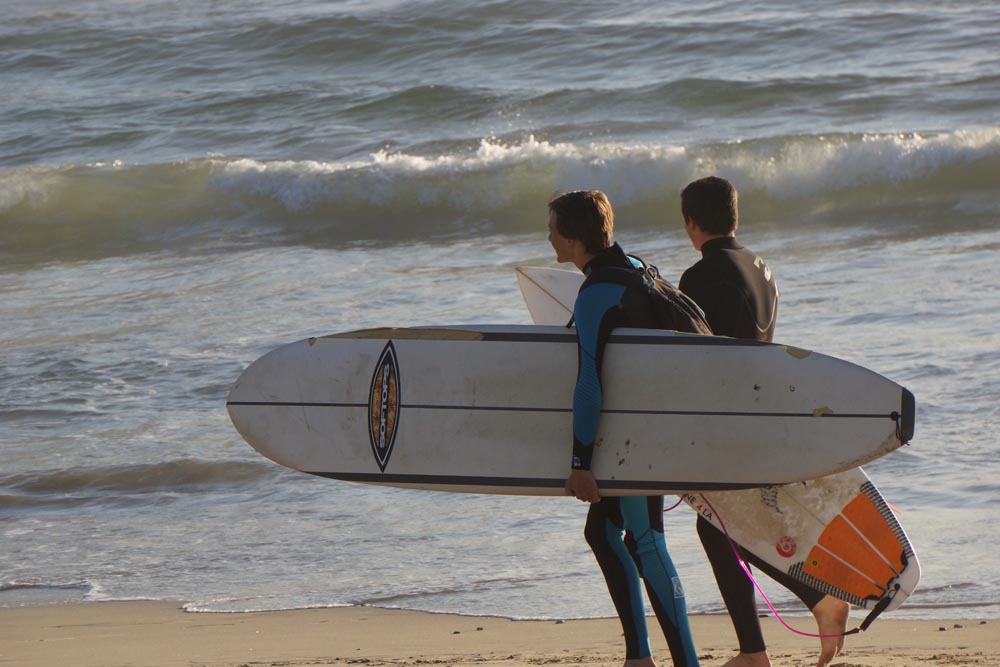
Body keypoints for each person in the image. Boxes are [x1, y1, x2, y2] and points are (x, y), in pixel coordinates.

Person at [677, 176, 850, 667]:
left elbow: (696, 362)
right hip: (762, 414)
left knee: (720, 528)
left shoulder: (699, 276)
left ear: (691, 222)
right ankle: (786, 626)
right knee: (722, 528)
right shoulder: (762, 267)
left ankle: (795, 619)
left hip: (728, 421)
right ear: (735, 216)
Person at [548, 189, 700, 667]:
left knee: (646, 540)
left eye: (552, 229)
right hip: (658, 424)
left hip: (637, 439)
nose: (548, 237)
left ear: (571, 239)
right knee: (603, 531)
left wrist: (580, 464)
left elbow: (589, 381)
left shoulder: (596, 292)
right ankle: (639, 657)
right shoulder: (635, 267)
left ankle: (686, 663)